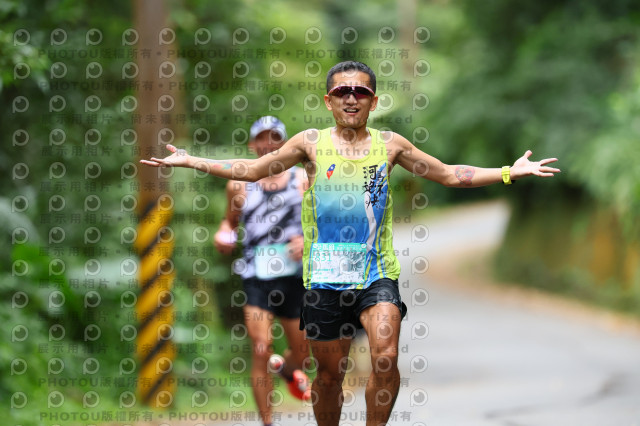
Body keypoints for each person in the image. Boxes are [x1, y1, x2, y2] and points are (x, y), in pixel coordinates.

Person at [141, 61, 560, 426]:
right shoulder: (310, 143)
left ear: (373, 101)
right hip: (323, 278)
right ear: (329, 101)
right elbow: (251, 170)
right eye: (343, 91)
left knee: (385, 356)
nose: (352, 98)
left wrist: (509, 172)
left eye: (361, 92)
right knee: (328, 377)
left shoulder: (390, 145)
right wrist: (191, 160)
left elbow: (449, 174)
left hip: (376, 273)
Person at [212, 116, 311, 425]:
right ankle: (267, 422)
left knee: (304, 354)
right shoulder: (238, 184)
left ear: (285, 144)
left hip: (296, 276)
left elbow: (322, 223)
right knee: (260, 347)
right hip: (256, 275)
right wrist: (224, 234)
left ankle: (285, 369)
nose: (269, 144)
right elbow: (229, 222)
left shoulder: (303, 179)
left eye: (275, 138)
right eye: (262, 138)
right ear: (252, 145)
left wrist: (308, 240)